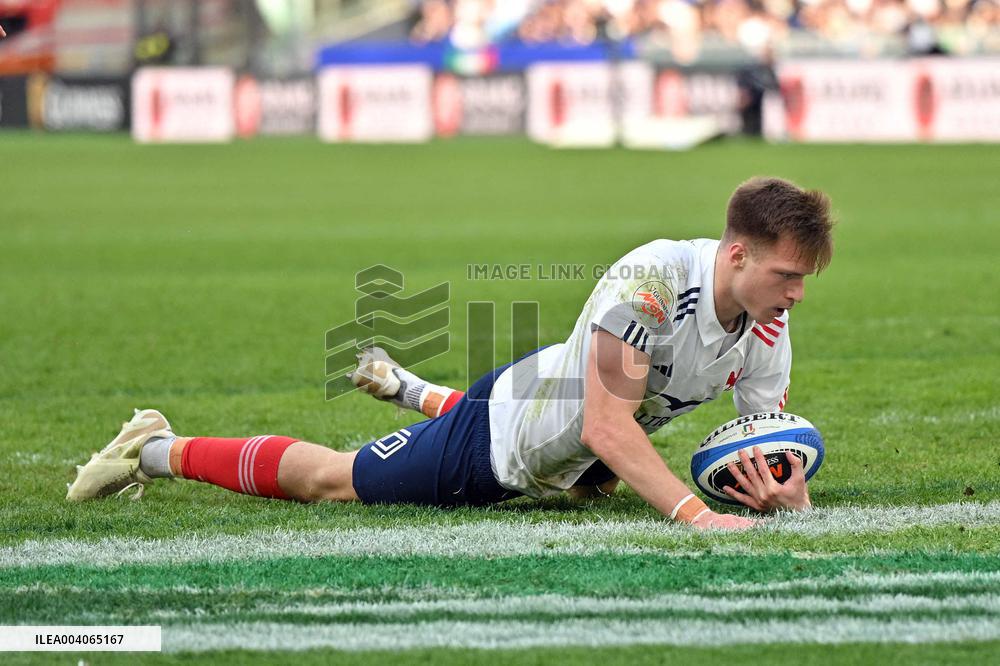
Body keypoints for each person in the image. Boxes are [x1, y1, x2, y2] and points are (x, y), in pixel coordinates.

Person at [66, 177, 834, 531]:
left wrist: (780, 489)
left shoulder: (767, 321)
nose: (797, 294)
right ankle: (156, 448)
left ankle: (411, 388)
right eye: (787, 275)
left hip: (577, 434)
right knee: (333, 481)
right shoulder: (653, 284)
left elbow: (759, 435)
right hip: (508, 438)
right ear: (737, 255)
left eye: (804, 280)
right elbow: (605, 425)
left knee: (589, 483)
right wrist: (700, 517)